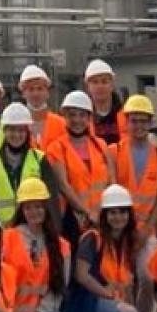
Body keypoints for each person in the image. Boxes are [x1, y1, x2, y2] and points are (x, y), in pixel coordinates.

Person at [63, 184, 144, 312]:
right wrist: (109, 296)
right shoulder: (93, 238)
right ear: (104, 215)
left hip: (111, 304)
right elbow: (81, 276)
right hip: (86, 303)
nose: (118, 217)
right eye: (113, 213)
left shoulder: (125, 242)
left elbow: (128, 285)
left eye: (123, 212)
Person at [1, 178, 74, 312]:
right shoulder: (7, 238)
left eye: (39, 207)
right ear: (22, 210)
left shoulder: (61, 246)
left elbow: (58, 289)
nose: (34, 212)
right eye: (29, 207)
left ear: (46, 208)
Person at [43, 91, 110, 244]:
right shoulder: (56, 148)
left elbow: (110, 181)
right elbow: (63, 186)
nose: (77, 120)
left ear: (89, 118)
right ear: (65, 117)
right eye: (72, 115)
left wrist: (101, 213)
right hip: (73, 220)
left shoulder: (100, 145)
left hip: (103, 218)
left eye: (82, 115)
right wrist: (86, 213)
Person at [0, 104, 57, 227]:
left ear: (27, 132)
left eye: (21, 130)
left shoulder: (39, 159)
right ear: (4, 131)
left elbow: (51, 201)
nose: (17, 135)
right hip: (2, 232)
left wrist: (53, 232)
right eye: (12, 130)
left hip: (33, 230)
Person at [110, 94, 157, 236]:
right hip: (120, 228)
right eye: (134, 121)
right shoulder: (113, 152)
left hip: (149, 230)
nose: (139, 126)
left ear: (150, 123)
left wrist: (147, 229)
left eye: (143, 121)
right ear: (126, 122)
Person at [18, 65, 67, 147]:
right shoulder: (17, 123)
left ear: (47, 93)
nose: (36, 94)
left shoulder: (61, 124)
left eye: (40, 88)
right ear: (23, 93)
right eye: (31, 89)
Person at [84, 60, 125, 146]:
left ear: (112, 84)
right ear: (88, 86)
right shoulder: (81, 118)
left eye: (104, 81)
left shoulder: (126, 115)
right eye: (95, 82)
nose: (100, 86)